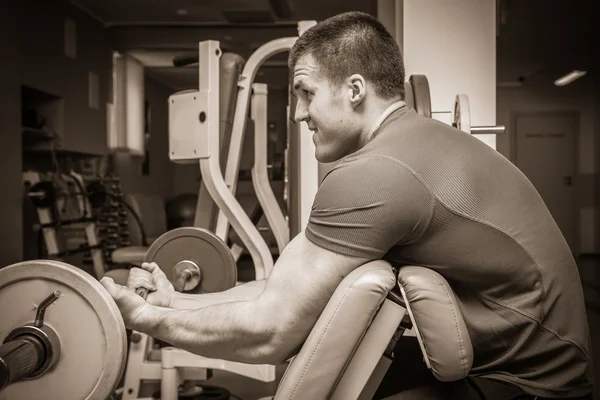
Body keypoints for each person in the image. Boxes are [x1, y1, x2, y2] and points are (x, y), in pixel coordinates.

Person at [100, 11, 593, 400]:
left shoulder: (376, 173)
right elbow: (282, 290)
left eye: (306, 93)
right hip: (525, 362)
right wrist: (174, 303)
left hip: (528, 383)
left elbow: (271, 332)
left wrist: (147, 320)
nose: (297, 113)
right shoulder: (409, 145)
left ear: (355, 89)